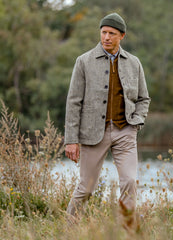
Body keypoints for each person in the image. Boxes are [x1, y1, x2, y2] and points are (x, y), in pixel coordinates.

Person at [64, 12, 150, 227]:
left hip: (125, 130)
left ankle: (129, 228)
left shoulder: (134, 62)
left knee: (129, 181)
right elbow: (74, 102)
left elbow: (143, 98)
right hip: (93, 133)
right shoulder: (83, 61)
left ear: (122, 35)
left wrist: (136, 122)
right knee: (86, 188)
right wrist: (71, 140)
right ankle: (69, 228)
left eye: (112, 33)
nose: (106, 37)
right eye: (103, 32)